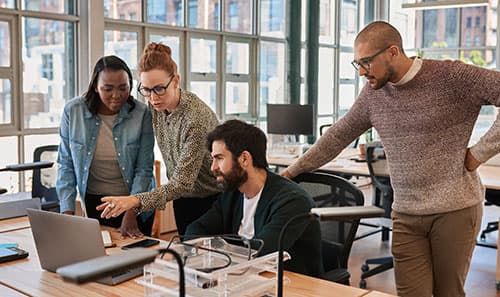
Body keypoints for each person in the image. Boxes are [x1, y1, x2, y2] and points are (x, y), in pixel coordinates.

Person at [281, 21, 500, 297]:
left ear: (393, 52)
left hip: (454, 210)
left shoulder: (451, 76)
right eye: (356, 64)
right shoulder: (374, 94)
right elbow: (337, 135)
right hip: (406, 214)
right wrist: (292, 171)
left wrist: (479, 154)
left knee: (448, 293)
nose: (361, 72)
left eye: (366, 62)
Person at [97, 42, 221, 236]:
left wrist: (134, 201)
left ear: (176, 80)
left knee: (210, 262)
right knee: (187, 258)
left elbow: (182, 183)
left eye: (159, 89)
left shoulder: (195, 119)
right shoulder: (155, 107)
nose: (153, 97)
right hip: (183, 200)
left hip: (215, 200)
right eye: (146, 90)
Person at [185, 119, 322, 277]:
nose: (213, 167)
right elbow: (195, 229)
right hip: (241, 278)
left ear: (244, 159)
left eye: (219, 158)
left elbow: (262, 251)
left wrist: (214, 246)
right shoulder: (233, 193)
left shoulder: (293, 201)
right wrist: (207, 244)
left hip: (288, 284)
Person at [56, 55, 155, 238]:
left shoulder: (142, 114)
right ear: (95, 86)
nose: (116, 95)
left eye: (123, 88)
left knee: (136, 260)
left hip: (134, 202)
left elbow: (144, 169)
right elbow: (66, 165)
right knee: (101, 261)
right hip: (97, 203)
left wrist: (131, 211)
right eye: (107, 89)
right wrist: (67, 215)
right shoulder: (73, 111)